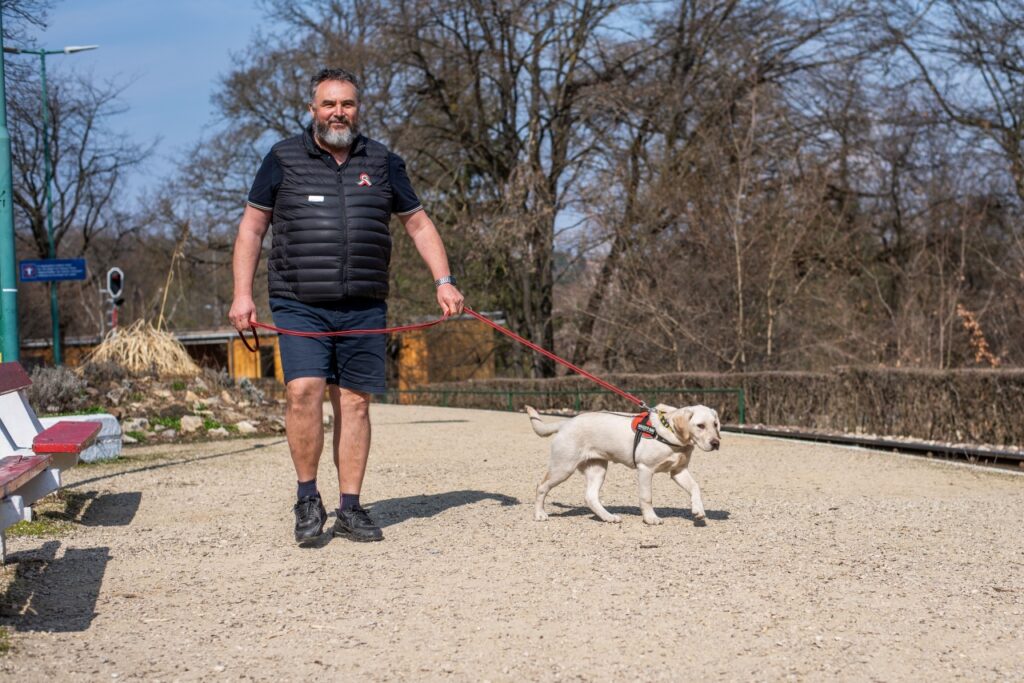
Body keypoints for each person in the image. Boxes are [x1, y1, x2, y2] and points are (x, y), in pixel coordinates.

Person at [229, 67, 464, 545]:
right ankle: (307, 497)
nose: (339, 112)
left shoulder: (382, 162)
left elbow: (418, 224)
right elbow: (252, 228)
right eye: (329, 104)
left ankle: (351, 507)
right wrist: (242, 294)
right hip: (299, 301)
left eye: (347, 104)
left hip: (364, 304)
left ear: (358, 108)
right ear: (313, 109)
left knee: (355, 404)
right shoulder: (281, 159)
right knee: (304, 393)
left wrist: (444, 281)